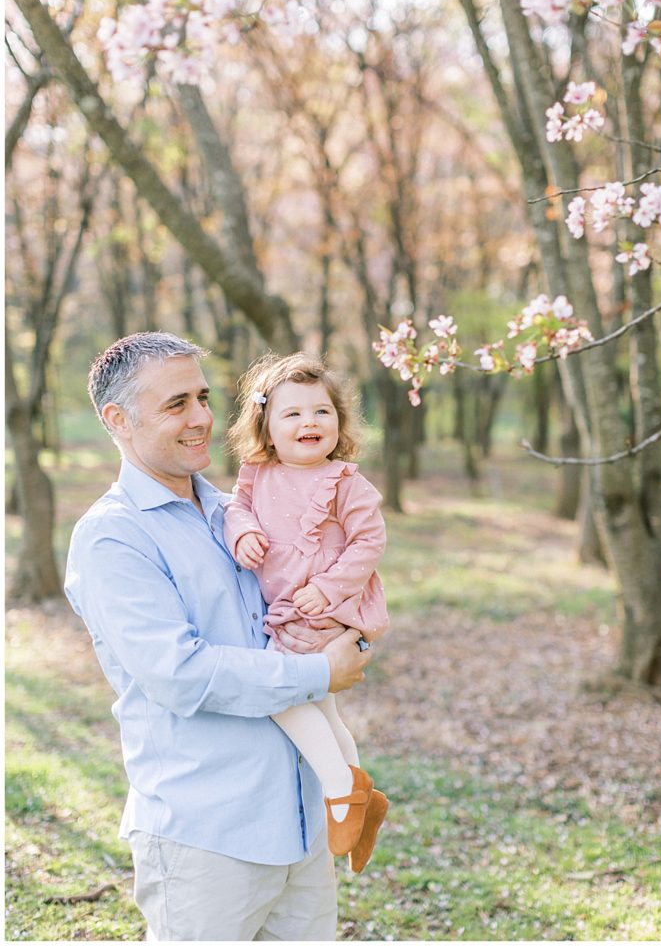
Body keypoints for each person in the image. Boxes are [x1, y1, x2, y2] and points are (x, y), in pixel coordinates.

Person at [64, 331, 374, 942]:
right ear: (117, 419)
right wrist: (320, 673)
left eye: (203, 397)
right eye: (176, 404)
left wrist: (346, 629)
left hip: (303, 825)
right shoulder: (113, 538)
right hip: (208, 839)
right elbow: (182, 675)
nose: (203, 417)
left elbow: (318, 601)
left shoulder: (240, 512)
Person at [224, 352, 390, 873]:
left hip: (327, 605)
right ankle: (361, 797)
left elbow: (369, 542)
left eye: (321, 412)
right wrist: (243, 532)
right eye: (292, 414)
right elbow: (235, 509)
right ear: (267, 429)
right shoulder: (257, 474)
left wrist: (328, 586)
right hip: (288, 603)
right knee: (320, 706)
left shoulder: (346, 482)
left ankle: (341, 793)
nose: (309, 423)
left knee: (283, 696)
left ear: (338, 422)